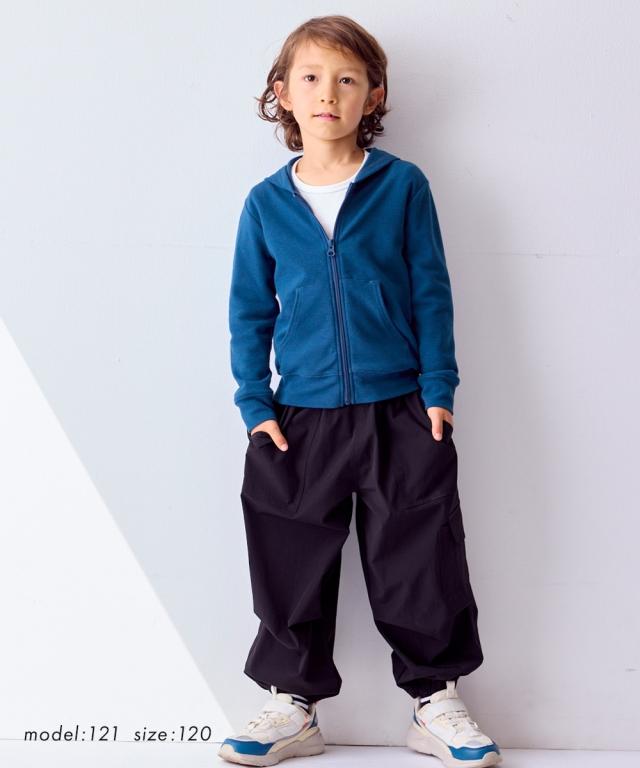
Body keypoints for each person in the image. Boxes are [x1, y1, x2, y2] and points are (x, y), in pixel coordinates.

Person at [219, 14, 502, 768]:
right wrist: (254, 404)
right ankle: (292, 704)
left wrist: (438, 388)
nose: (328, 93)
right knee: (288, 556)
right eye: (311, 78)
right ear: (282, 93)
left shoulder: (401, 186)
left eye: (347, 80)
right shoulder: (266, 204)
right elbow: (249, 311)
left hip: (400, 409)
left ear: (372, 95)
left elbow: (431, 292)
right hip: (298, 416)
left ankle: (434, 699)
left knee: (418, 554)